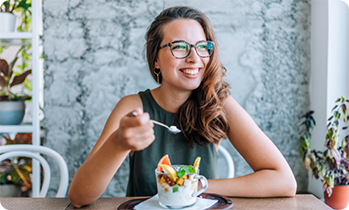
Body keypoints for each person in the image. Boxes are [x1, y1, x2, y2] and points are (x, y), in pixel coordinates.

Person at [69, 6, 297, 208]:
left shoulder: (218, 103)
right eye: (179, 47)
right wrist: (118, 143)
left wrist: (198, 184)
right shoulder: (133, 106)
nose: (194, 57)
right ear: (155, 59)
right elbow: (79, 197)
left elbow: (284, 182)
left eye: (202, 47)